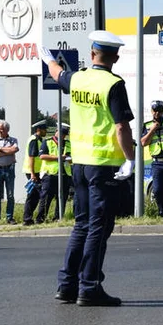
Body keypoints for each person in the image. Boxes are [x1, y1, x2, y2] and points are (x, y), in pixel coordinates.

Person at [41, 32, 136, 307]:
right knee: (99, 227)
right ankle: (90, 286)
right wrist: (129, 158)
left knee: (81, 224)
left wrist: (47, 58)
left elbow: (58, 73)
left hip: (79, 164)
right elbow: (121, 126)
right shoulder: (114, 84)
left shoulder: (78, 79)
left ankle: (67, 284)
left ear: (92, 54)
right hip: (103, 166)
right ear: (115, 58)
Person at [36, 124, 70, 223]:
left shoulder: (68, 143)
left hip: (65, 174)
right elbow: (42, 156)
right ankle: (41, 219)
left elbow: (71, 156)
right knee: (46, 198)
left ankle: (58, 218)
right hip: (50, 174)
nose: (63, 136)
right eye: (62, 133)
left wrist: (69, 158)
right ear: (56, 131)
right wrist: (58, 157)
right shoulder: (48, 142)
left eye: (65, 134)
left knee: (62, 198)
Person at [0, 120, 19, 224]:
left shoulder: (13, 140)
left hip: (9, 169)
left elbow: (14, 149)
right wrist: (7, 151)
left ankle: (9, 217)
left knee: (10, 194)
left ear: (7, 130)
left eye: (2, 130)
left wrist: (1, 150)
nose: (0, 132)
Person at [22, 120, 49, 225]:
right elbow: (31, 158)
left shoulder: (39, 140)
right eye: (44, 129)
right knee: (34, 195)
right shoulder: (34, 140)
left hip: (37, 171)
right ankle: (27, 218)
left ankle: (28, 218)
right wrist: (33, 174)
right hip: (32, 171)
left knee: (35, 196)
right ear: (38, 129)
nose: (46, 131)